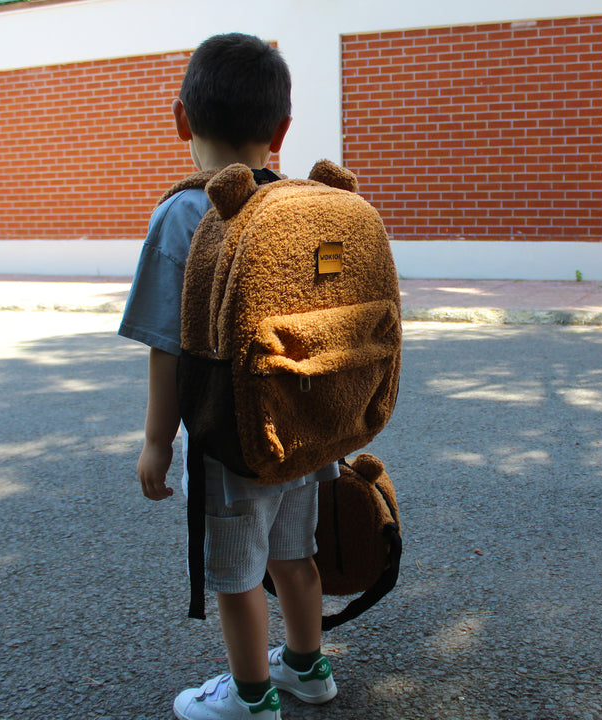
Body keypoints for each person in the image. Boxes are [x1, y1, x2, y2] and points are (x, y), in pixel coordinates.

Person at [118, 33, 338, 720]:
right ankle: (308, 667)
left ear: (181, 117)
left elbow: (167, 344)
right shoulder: (304, 206)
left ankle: (249, 698)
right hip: (303, 430)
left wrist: (158, 441)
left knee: (237, 575)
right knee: (294, 557)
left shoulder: (184, 211)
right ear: (282, 130)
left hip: (229, 438)